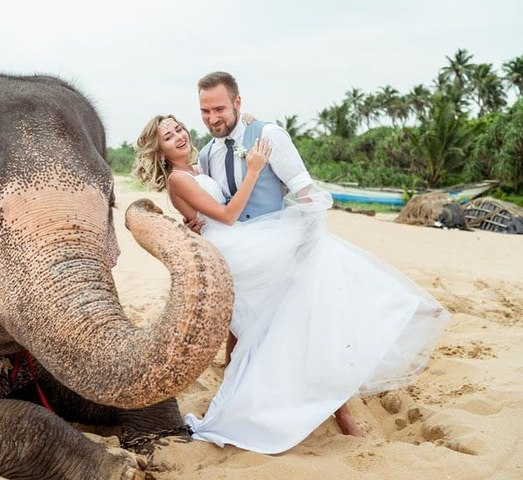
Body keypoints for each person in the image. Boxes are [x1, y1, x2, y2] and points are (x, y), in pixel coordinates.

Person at [131, 75, 449, 454]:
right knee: (284, 324)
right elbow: (222, 212)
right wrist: (218, 201)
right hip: (242, 249)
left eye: (218, 109)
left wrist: (305, 239)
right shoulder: (206, 159)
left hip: (267, 243)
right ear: (161, 149)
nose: (210, 118)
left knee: (297, 306)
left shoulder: (264, 137)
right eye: (204, 111)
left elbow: (304, 190)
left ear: (237, 103)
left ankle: (400, 312)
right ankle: (394, 320)